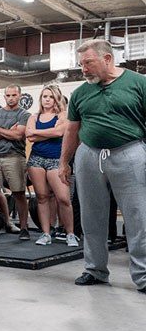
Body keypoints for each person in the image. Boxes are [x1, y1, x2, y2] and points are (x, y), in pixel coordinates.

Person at [59, 39, 146, 293]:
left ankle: (143, 276)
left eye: (88, 63)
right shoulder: (80, 93)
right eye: (81, 65)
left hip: (130, 152)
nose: (83, 69)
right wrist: (64, 161)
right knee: (91, 216)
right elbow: (72, 130)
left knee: (138, 216)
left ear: (107, 59)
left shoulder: (139, 83)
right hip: (89, 156)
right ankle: (95, 270)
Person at [26, 85, 79, 247]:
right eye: (44, 97)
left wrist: (38, 134)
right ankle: (46, 233)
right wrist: (48, 132)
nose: (47, 100)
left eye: (50, 97)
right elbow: (29, 135)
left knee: (63, 198)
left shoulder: (63, 115)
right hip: (36, 160)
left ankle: (70, 233)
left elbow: (59, 133)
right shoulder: (34, 116)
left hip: (56, 160)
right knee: (42, 197)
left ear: (56, 99)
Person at [0, 84, 31, 240]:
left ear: (19, 96)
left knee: (19, 193)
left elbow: (18, 135)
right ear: (4, 96)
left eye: (14, 95)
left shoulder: (24, 114)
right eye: (8, 95)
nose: (11, 98)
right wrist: (7, 131)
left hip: (15, 156)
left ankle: (24, 228)